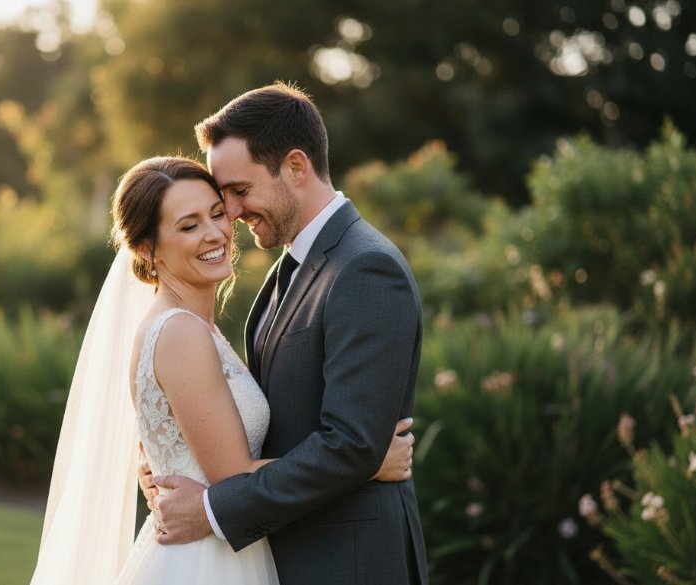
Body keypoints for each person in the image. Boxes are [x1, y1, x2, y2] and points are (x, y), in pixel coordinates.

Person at [30, 156, 415, 584]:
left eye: (217, 214)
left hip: (229, 549)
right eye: (189, 225)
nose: (215, 233)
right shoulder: (180, 333)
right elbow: (232, 475)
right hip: (203, 562)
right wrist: (364, 463)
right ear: (145, 249)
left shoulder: (195, 327)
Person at [145, 83, 429, 584]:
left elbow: (350, 444)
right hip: (288, 554)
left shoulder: (365, 267)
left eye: (238, 190)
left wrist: (211, 507)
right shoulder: (291, 267)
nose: (229, 213)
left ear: (295, 168)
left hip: (350, 561)